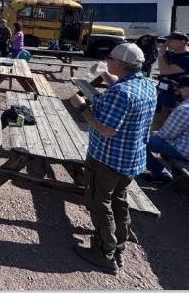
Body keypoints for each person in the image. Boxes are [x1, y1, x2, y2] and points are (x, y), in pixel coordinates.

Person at [69, 43, 156, 274]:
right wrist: (104, 75)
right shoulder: (146, 84)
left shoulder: (120, 93)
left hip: (106, 159)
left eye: (109, 58)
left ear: (118, 63)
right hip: (130, 159)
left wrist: (80, 107)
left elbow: (106, 129)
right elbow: (122, 92)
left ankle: (103, 252)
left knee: (99, 202)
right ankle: (118, 246)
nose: (107, 60)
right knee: (119, 200)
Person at [145, 75, 189, 182]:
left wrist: (149, 134)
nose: (176, 88)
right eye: (175, 85)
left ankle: (161, 175)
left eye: (180, 86)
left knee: (138, 141)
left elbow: (166, 135)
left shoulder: (186, 108)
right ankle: (172, 173)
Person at [154, 32, 189, 128]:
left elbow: (165, 70)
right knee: (157, 123)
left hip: (179, 98)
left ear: (183, 42)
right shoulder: (171, 54)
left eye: (171, 40)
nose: (168, 43)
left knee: (175, 126)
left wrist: (161, 54)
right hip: (164, 93)